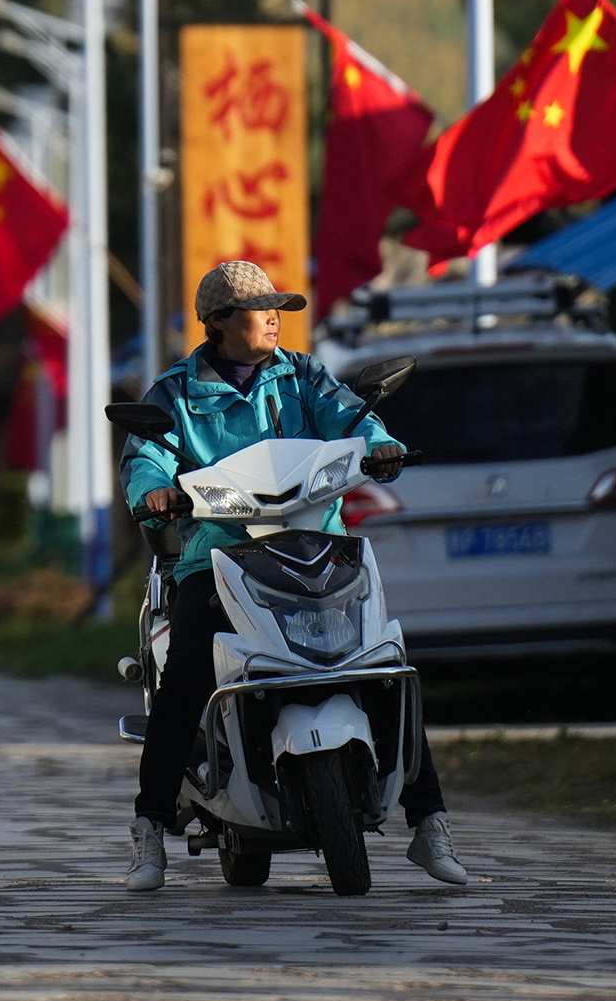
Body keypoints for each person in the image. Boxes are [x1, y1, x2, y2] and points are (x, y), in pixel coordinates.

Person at [119, 260, 469, 893]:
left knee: (383, 664)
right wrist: (155, 492)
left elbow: (352, 418)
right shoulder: (173, 394)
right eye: (262, 308)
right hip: (220, 557)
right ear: (220, 323)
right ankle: (149, 826)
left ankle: (429, 821)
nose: (277, 317)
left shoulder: (302, 375)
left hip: (320, 549)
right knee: (190, 667)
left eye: (281, 306)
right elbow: (147, 456)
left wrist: (378, 443)